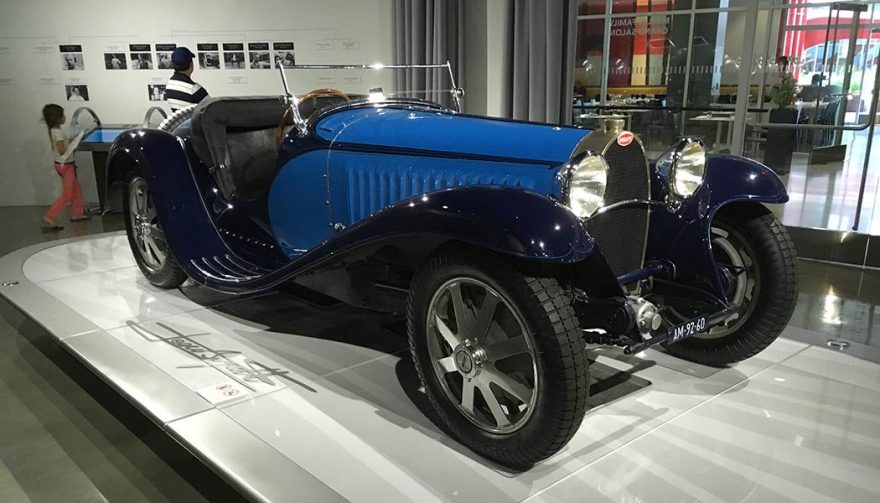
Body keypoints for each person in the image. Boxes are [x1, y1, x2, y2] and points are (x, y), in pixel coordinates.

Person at [41, 104, 89, 230]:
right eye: (62, 114)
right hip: (66, 166)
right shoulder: (57, 132)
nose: (65, 117)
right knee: (67, 195)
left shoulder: (54, 130)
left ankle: (77, 214)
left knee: (76, 189)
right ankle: (49, 216)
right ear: (57, 117)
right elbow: (62, 150)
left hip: (62, 166)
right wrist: (74, 143)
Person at [166, 47, 208, 112]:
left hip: (179, 122)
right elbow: (212, 111)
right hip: (195, 122)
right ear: (191, 65)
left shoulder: (169, 84)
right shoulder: (194, 89)